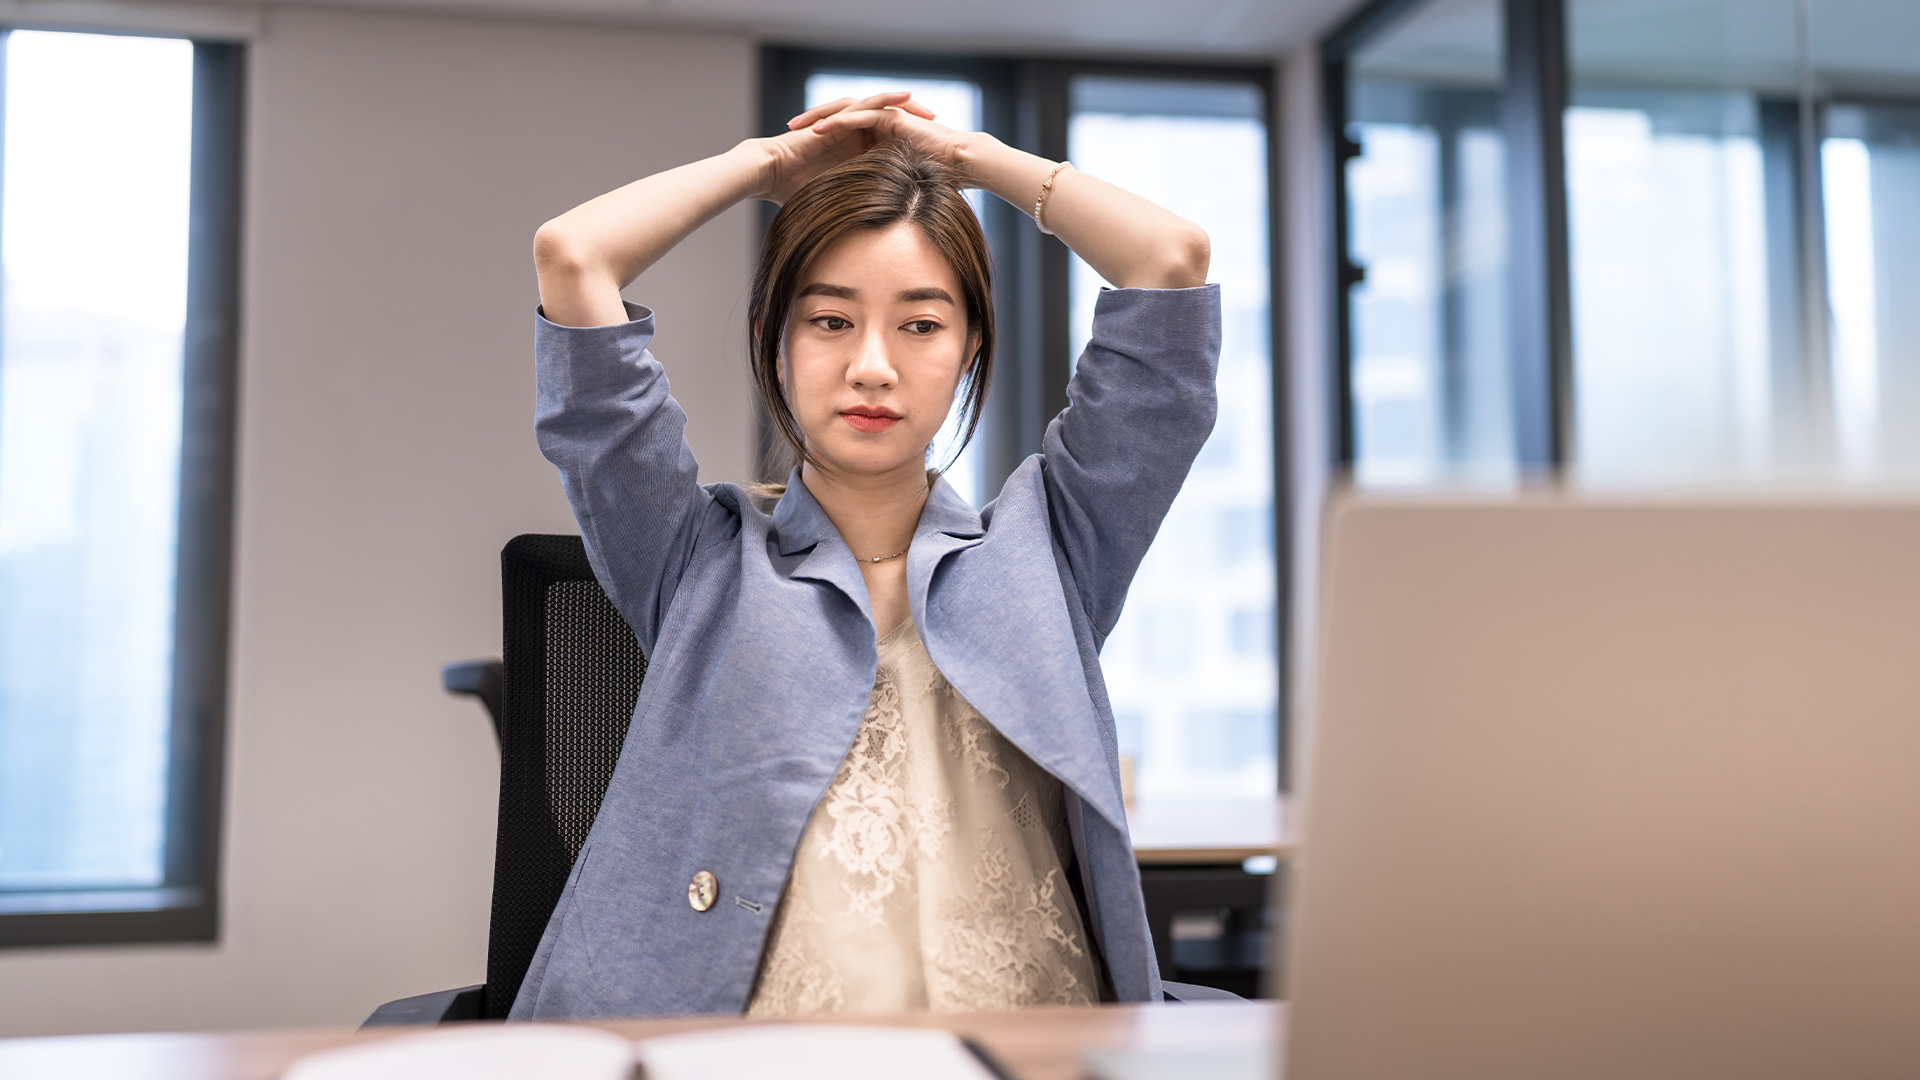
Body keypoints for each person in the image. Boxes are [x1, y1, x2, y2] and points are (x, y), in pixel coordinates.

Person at [513, 91, 1219, 1020]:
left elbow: (1171, 260)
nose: (873, 367)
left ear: (970, 348)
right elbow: (574, 254)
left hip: (1027, 1043)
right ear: (773, 341)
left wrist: (969, 159)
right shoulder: (698, 561)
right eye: (830, 321)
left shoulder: (1052, 546)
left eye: (922, 325)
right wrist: (767, 166)